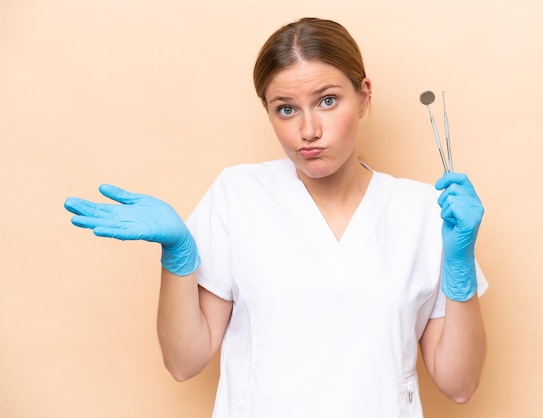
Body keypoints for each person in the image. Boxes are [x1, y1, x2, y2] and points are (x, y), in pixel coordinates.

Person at [64, 17, 487, 418]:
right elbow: (183, 362)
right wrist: (178, 257)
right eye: (286, 109)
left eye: (327, 101)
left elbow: (459, 385)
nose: (308, 130)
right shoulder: (238, 195)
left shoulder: (423, 212)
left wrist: (460, 266)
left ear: (364, 96)